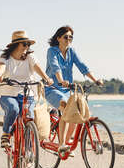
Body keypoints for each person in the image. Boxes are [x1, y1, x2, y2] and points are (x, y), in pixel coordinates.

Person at [44, 25, 103, 154]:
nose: (69, 39)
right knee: (66, 109)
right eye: (66, 37)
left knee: (77, 114)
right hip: (53, 88)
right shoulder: (52, 51)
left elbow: (82, 66)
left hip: (67, 90)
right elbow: (55, 67)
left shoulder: (72, 51)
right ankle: (62, 145)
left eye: (71, 37)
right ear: (59, 38)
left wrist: (95, 80)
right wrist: (60, 80)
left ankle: (66, 143)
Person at [0, 31, 53, 148]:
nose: (27, 47)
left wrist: (47, 78)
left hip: (27, 94)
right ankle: (6, 134)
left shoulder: (30, 57)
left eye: (28, 45)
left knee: (29, 118)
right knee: (13, 109)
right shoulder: (6, 58)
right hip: (8, 94)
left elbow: (37, 68)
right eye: (24, 44)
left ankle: (29, 153)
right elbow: (2, 66)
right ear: (16, 45)